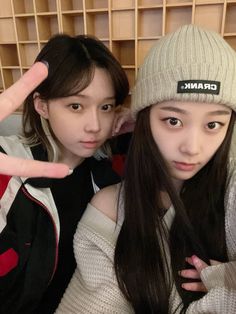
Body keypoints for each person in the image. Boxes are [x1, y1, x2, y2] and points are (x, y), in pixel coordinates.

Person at [56, 24, 236, 313]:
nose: (192, 147)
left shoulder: (231, 190)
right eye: (173, 121)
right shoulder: (112, 209)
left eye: (213, 124)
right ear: (144, 121)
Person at [0, 33, 130, 314]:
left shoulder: (115, 164)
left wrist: (147, 119)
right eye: (76, 106)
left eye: (105, 107)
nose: (95, 125)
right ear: (42, 105)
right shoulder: (8, 169)